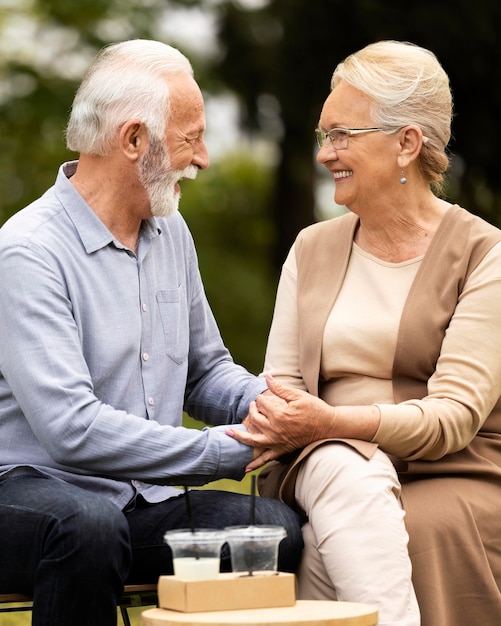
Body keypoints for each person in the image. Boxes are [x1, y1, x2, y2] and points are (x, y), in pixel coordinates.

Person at [0, 39, 303, 626]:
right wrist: (227, 450)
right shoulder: (28, 253)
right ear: (134, 139)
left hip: (136, 503)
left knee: (272, 532)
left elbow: (205, 370)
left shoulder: (171, 233)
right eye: (191, 139)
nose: (206, 158)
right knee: (87, 526)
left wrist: (272, 407)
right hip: (26, 495)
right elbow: (71, 430)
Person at [227, 40, 501, 626]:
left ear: (407, 143)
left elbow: (453, 416)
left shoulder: (485, 255)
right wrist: (321, 431)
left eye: (343, 134)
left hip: (450, 467)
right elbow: (282, 388)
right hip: (322, 463)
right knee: (344, 480)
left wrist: (333, 422)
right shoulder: (311, 247)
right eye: (324, 135)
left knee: (377, 526)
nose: (326, 154)